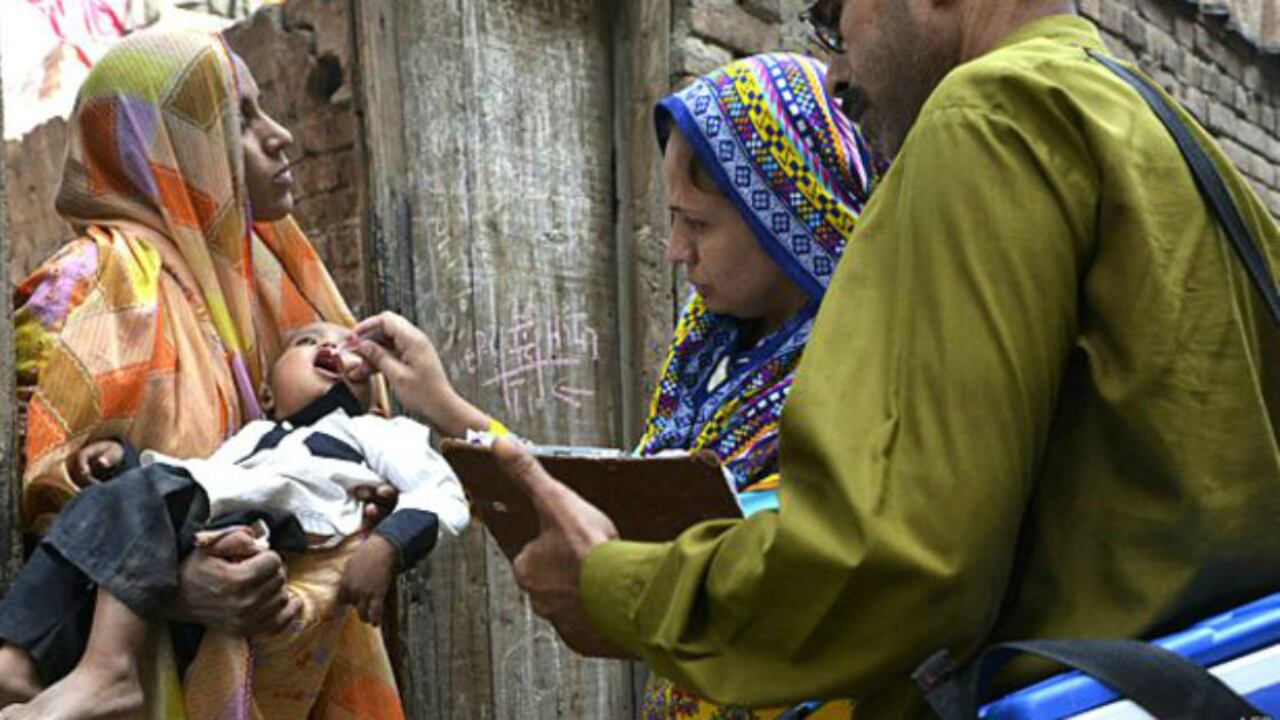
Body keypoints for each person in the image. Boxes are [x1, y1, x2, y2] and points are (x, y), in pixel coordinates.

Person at [401, 0, 1280, 717]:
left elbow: (891, 562)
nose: (836, 68)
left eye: (834, 14)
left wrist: (617, 590)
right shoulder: (1172, 139)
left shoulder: (989, 117)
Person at [349, 53, 875, 719]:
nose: (678, 249)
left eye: (701, 223)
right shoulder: (709, 366)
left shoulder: (868, 369)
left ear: (786, 211)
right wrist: (444, 407)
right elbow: (622, 506)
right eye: (674, 219)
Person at [4, 30, 402, 719]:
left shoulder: (274, 288)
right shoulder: (87, 286)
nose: (280, 137)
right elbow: (48, 501)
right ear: (161, 152)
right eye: (238, 119)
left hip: (284, 654)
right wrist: (177, 582)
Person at [0, 322, 470, 720]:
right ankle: (19, 667)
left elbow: (441, 491)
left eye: (351, 350)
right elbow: (193, 479)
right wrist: (121, 459)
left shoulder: (374, 430)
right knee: (100, 511)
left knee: (143, 497)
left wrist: (388, 544)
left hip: (290, 526)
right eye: (306, 341)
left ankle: (110, 671)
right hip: (215, 516)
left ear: (376, 402)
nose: (331, 346)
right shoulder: (252, 438)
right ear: (266, 394)